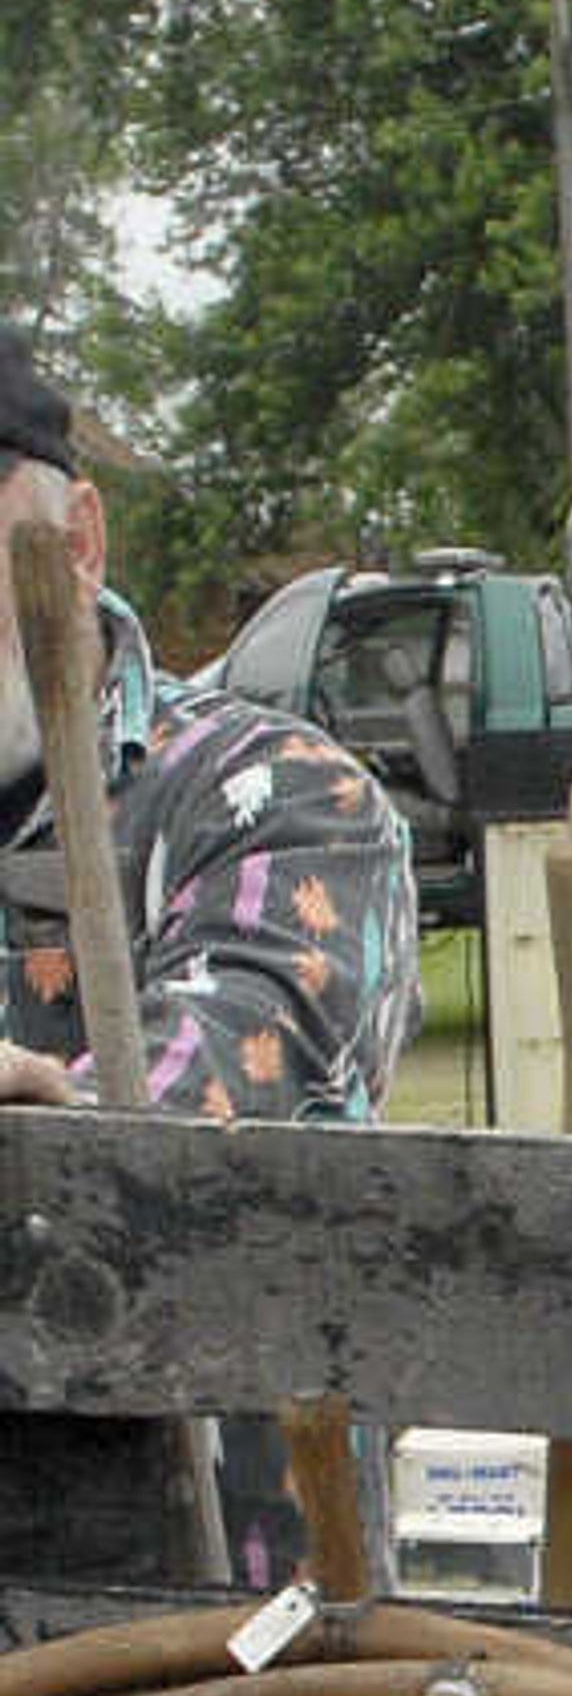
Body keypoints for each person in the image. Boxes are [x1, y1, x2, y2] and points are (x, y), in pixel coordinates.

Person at [0, 322, 422, 1581]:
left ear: (73, 543)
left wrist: (53, 1115)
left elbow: (215, 1099)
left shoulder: (281, 800)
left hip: (220, 1685)